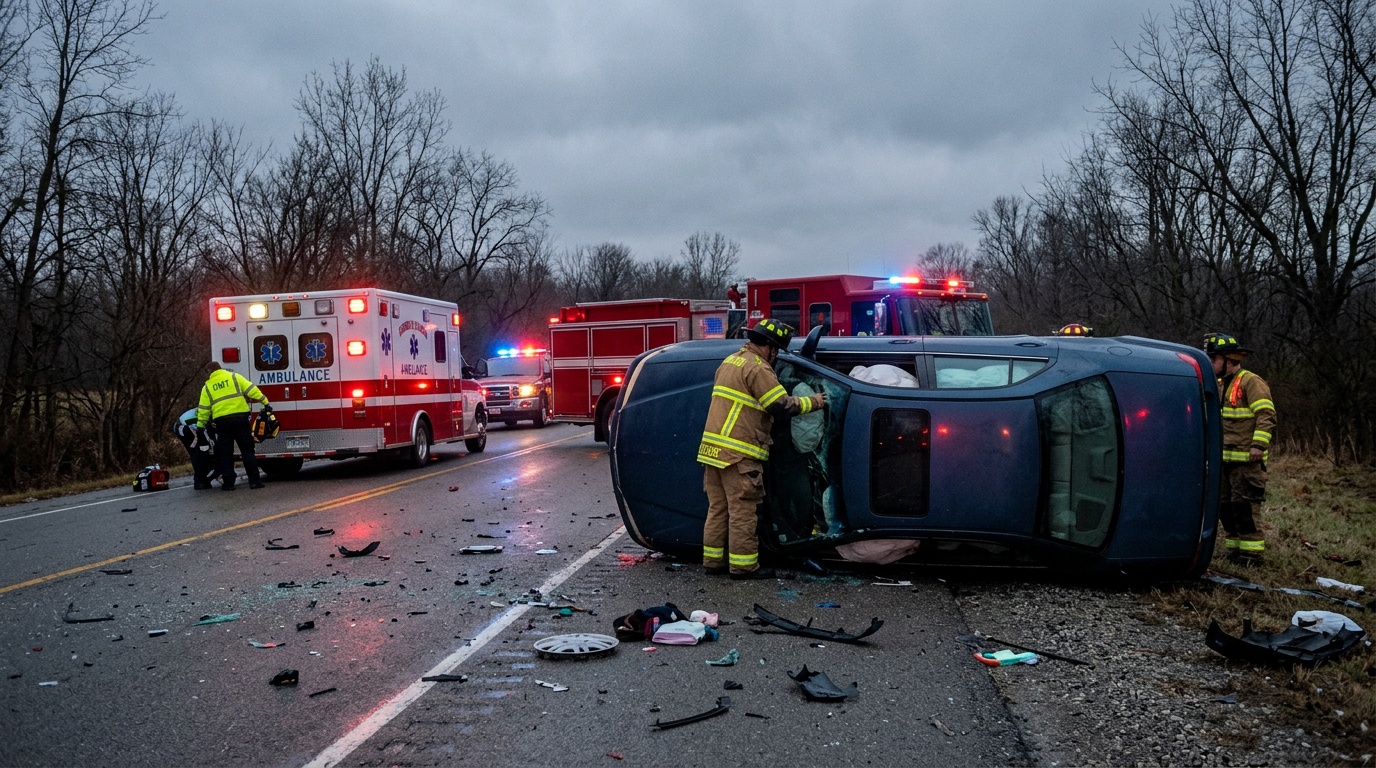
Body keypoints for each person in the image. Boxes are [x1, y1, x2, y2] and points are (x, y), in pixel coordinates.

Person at [697, 318, 826, 580]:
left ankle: (712, 562)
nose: (776, 355)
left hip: (713, 451)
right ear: (766, 345)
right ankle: (744, 567)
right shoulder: (758, 368)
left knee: (718, 509)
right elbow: (780, 405)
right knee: (743, 511)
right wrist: (815, 401)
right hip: (739, 454)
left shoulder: (731, 361)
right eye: (775, 349)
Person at [1204, 333, 1276, 558]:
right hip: (1224, 460)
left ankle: (1251, 555)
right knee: (1226, 509)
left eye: (1213, 358)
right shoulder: (1219, 384)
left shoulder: (1250, 382)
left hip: (1247, 461)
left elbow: (1266, 415)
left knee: (1245, 509)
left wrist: (1258, 445)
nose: (1210, 363)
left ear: (1227, 359)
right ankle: (1234, 550)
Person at [197, 362, 271, 491]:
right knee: (247, 451)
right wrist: (265, 402)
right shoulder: (234, 377)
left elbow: (203, 409)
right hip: (240, 419)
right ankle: (254, 481)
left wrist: (200, 426)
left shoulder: (207, 387)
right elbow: (252, 389)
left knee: (226, 453)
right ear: (220, 368)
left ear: (209, 372)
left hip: (222, 422)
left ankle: (229, 484)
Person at [173, 408, 219, 490]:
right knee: (199, 450)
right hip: (184, 426)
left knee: (205, 448)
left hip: (193, 425)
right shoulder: (205, 416)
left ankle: (202, 478)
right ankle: (200, 480)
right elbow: (206, 435)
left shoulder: (209, 414)